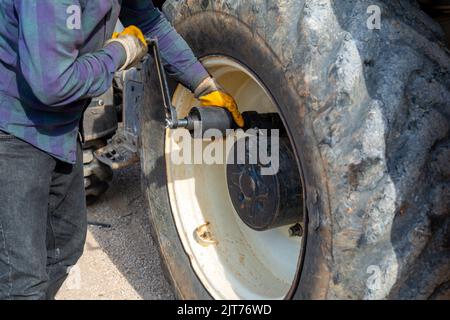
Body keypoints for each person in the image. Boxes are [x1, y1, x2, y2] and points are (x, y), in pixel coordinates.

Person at [0, 0, 242, 300]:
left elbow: (148, 21)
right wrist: (120, 52)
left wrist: (203, 84)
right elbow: (53, 84)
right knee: (21, 277)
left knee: (63, 246)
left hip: (60, 129)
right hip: (12, 129)